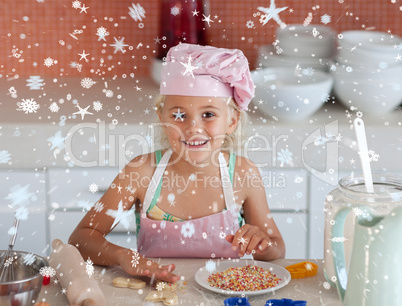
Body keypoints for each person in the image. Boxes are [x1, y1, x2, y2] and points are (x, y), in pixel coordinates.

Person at [69, 43, 285, 283]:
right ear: (162, 118)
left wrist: (263, 246)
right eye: (179, 115)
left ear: (232, 121)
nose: (193, 128)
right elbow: (80, 238)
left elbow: (277, 248)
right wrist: (121, 255)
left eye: (209, 114)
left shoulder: (244, 173)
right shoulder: (141, 172)